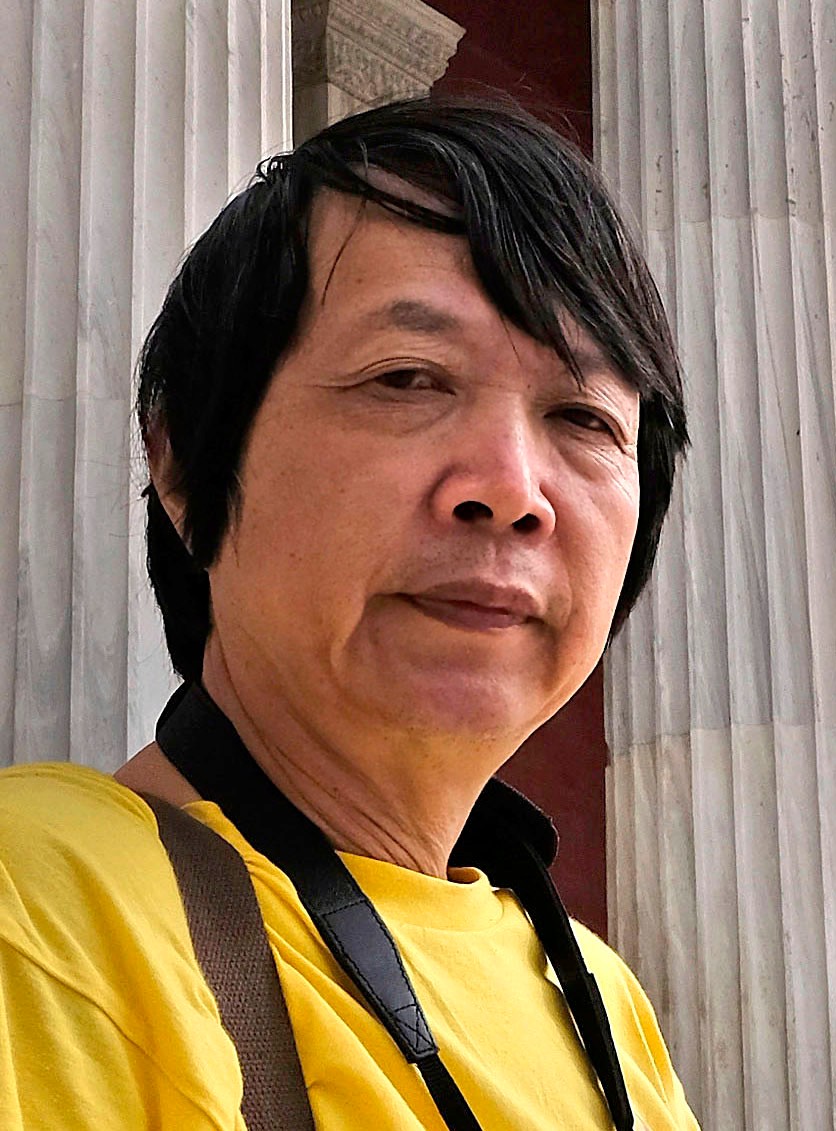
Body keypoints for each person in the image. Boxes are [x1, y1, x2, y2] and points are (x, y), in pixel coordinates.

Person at [0, 96, 699, 1129]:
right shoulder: (41, 912)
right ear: (185, 461)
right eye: (406, 378)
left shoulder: (599, 999)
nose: (511, 489)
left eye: (581, 416)